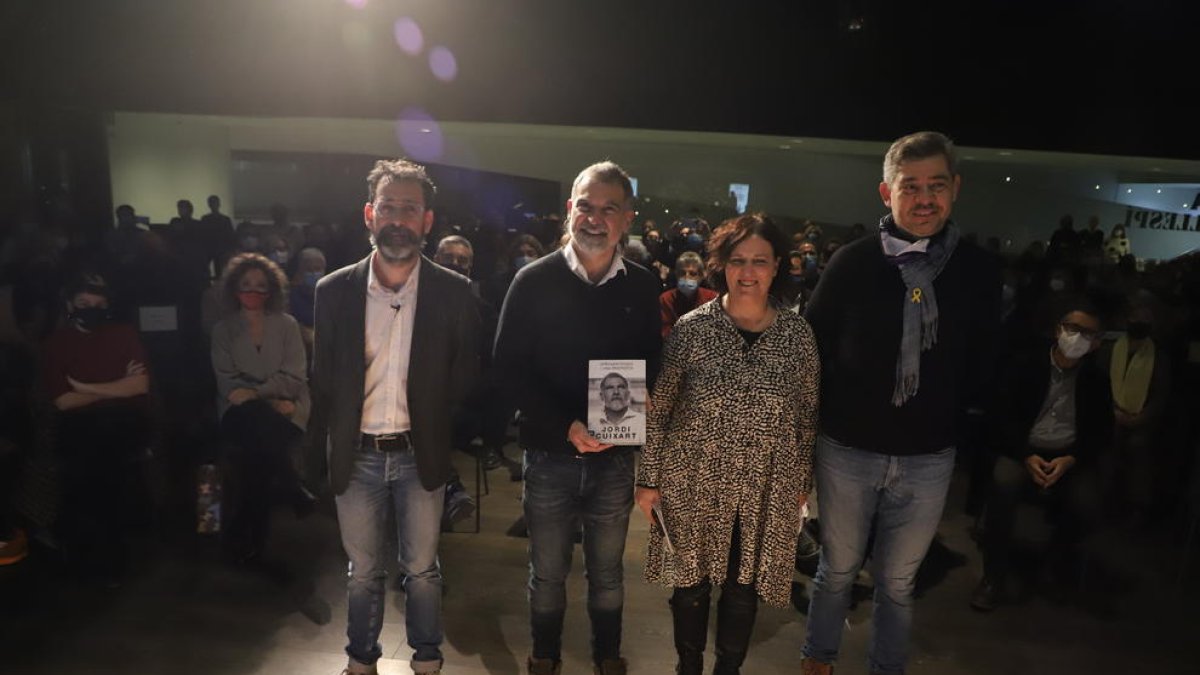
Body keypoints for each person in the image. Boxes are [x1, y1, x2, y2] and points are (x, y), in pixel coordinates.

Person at [801, 131, 1000, 675]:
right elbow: (810, 351)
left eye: (937, 185)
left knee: (897, 582)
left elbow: (986, 363)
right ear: (886, 193)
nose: (925, 198)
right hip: (846, 450)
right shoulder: (852, 262)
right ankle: (818, 659)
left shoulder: (979, 271)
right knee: (837, 571)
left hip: (929, 456)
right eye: (910, 186)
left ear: (955, 189)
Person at [303, 159, 480, 675]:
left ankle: (427, 658)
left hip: (417, 452)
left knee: (422, 570)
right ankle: (361, 660)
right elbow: (324, 384)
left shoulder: (453, 291)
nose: (397, 218)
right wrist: (315, 458)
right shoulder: (333, 290)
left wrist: (440, 429)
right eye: (388, 207)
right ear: (369, 214)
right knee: (362, 572)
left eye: (409, 208)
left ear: (427, 220)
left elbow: (465, 376)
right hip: (355, 454)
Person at [493, 161, 661, 675]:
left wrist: (644, 400)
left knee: (608, 571)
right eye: (585, 206)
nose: (595, 218)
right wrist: (566, 425)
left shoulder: (641, 285)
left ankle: (606, 656)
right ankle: (545, 656)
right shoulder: (532, 280)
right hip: (549, 454)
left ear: (627, 219)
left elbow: (651, 361)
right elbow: (507, 368)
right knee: (547, 572)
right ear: (570, 210)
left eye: (609, 208)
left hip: (613, 459)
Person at [635, 213, 820, 675]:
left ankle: (728, 670)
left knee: (743, 586)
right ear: (723, 265)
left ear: (778, 265)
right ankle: (688, 668)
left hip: (764, 481)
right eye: (738, 260)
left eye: (759, 261)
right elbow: (661, 409)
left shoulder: (798, 336)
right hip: (692, 476)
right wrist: (648, 480)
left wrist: (801, 484)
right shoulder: (693, 329)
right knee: (690, 585)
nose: (748, 272)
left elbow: (806, 417)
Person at [970, 302, 1111, 611]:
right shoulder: (1026, 366)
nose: (1076, 337)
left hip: (1068, 455)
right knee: (1003, 484)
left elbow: (1101, 433)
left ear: (1097, 342)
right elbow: (1001, 418)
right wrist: (1026, 456)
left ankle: (1053, 567)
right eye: (1072, 329)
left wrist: (1071, 459)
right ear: (1058, 329)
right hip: (1023, 449)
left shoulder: (1096, 380)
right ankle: (993, 577)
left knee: (1087, 503)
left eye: (1087, 333)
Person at [41, 272, 152, 585]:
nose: (91, 308)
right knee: (94, 464)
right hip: (81, 428)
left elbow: (140, 385)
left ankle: (93, 550)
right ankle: (98, 552)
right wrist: (119, 384)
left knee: (102, 456)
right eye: (84, 303)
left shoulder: (123, 333)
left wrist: (86, 387)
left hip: (124, 422)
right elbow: (63, 400)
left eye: (98, 303)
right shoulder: (57, 343)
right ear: (69, 305)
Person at [211, 253, 313, 564]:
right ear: (233, 289)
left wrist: (256, 392)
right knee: (258, 436)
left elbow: (295, 377)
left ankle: (244, 539)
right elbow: (228, 383)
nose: (253, 291)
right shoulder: (223, 329)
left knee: (256, 459)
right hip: (239, 412)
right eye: (245, 285)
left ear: (272, 289)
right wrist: (268, 398)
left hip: (289, 406)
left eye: (260, 285)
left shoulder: (287, 325)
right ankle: (292, 485)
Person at [659, 251, 717, 338]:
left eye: (692, 274)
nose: (687, 277)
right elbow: (665, 331)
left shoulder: (712, 298)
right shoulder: (666, 299)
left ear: (701, 277)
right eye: (682, 273)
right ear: (677, 275)